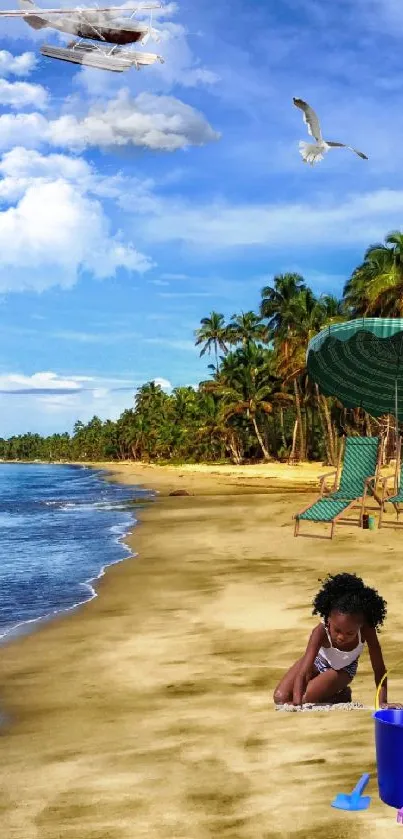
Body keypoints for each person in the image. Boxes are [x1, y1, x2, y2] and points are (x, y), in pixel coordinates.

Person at [273, 572, 391, 707]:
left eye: (350, 633)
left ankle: (339, 695)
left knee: (308, 698)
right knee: (280, 698)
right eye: (337, 630)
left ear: (360, 626)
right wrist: (297, 704)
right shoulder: (320, 631)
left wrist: (382, 702)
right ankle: (339, 696)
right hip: (317, 661)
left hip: (343, 669)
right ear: (328, 619)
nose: (341, 637)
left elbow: (379, 669)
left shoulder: (367, 631)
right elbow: (304, 672)